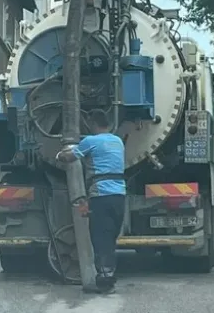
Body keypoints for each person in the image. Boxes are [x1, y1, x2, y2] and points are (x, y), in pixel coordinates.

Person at [56, 109, 126, 293]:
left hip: (101, 195)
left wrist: (60, 154)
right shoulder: (117, 141)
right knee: (110, 239)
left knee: (100, 239)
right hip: (119, 195)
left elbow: (69, 157)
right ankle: (108, 276)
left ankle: (105, 282)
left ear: (92, 124)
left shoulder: (90, 141)